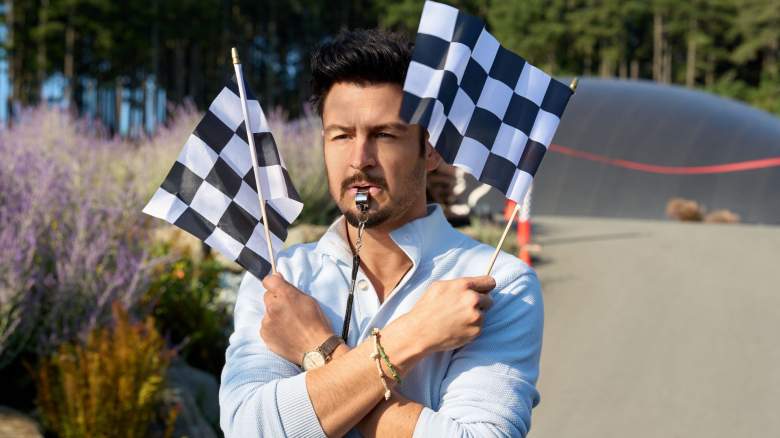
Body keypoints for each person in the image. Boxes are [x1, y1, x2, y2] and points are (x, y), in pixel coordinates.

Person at [219, 28, 544, 438]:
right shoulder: (283, 281)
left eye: (384, 135)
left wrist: (318, 349)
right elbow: (249, 428)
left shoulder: (498, 282)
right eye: (341, 135)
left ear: (431, 149)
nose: (359, 159)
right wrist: (413, 335)